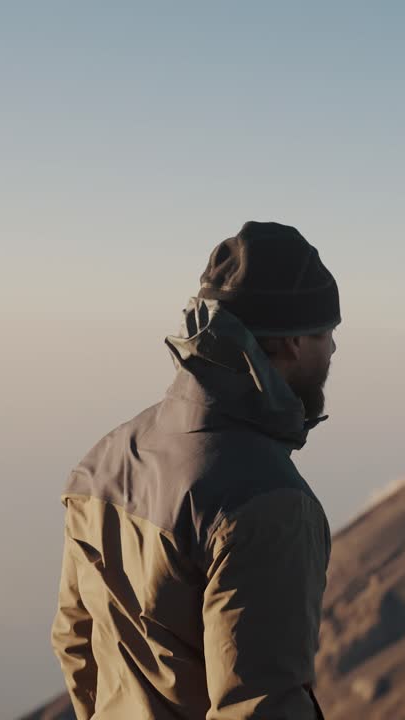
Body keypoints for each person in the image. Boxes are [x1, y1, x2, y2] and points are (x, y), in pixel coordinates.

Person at [50, 221, 339, 719]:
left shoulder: (104, 459)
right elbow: (260, 708)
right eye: (327, 334)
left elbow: (76, 645)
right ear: (293, 340)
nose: (333, 350)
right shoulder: (267, 502)